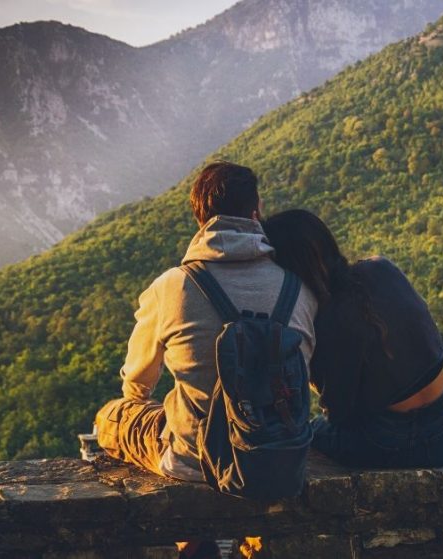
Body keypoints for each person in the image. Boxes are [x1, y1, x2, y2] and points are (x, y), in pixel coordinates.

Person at [92, 162, 319, 483]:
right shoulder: (298, 289)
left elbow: (137, 382)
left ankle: (187, 533)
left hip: (194, 459)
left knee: (112, 415)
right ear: (256, 213)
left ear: (200, 219)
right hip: (279, 455)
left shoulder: (172, 285)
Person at [262, 209, 443, 468]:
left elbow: (340, 416)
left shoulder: (328, 319)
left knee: (311, 431)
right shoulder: (381, 268)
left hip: (391, 442)